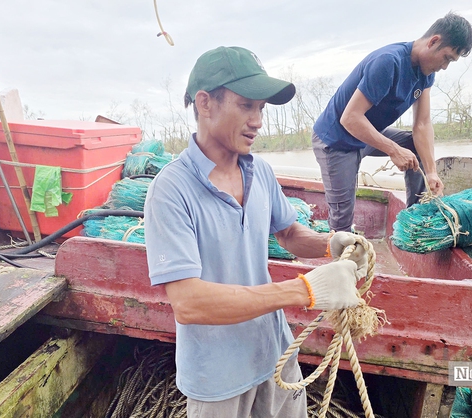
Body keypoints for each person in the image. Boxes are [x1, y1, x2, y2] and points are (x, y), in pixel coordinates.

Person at [144, 46, 367, 418]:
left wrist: (332, 244)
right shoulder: (170, 190)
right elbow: (188, 302)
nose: (258, 120)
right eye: (246, 105)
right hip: (218, 378)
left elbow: (289, 232)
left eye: (261, 109)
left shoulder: (259, 171)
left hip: (275, 357)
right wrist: (305, 289)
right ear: (205, 103)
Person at [312, 12, 472, 232]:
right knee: (342, 225)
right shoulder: (389, 62)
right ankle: (343, 260)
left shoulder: (426, 73)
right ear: (433, 41)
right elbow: (350, 118)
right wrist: (392, 150)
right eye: (446, 58)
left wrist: (432, 171)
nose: (445, 66)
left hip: (365, 135)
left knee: (412, 146)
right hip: (336, 140)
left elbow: (423, 124)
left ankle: (415, 219)